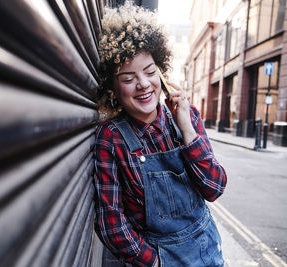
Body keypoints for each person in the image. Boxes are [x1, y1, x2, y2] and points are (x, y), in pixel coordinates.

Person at [93, 2, 227, 266]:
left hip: (208, 252)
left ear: (162, 73)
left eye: (150, 71)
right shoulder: (111, 138)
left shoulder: (186, 119)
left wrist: (187, 129)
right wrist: (153, 261)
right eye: (128, 78)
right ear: (113, 88)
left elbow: (214, 187)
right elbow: (111, 221)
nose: (143, 84)